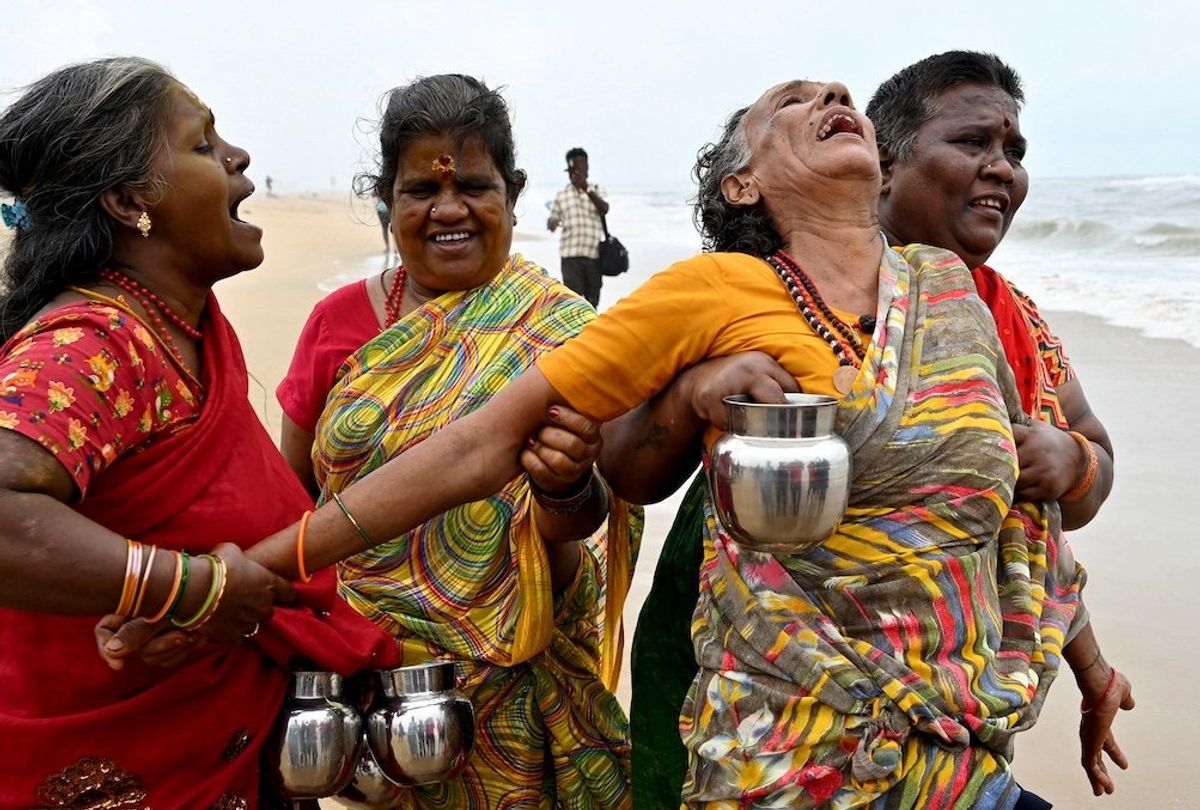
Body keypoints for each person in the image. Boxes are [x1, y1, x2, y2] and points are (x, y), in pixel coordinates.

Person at [238, 77, 1088, 808]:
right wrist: (255, 568)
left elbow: (1017, 522)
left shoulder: (952, 296)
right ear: (745, 185)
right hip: (792, 739)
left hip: (960, 729)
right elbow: (488, 446)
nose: (831, 95)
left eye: (838, 93)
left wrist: (1086, 655)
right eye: (790, 101)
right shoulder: (717, 293)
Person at [621, 51, 1133, 805]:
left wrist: (1073, 460)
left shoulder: (1006, 317)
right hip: (756, 656)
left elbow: (1036, 517)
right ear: (883, 164)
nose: (1001, 169)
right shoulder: (765, 283)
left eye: (1014, 152)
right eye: (972, 144)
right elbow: (629, 466)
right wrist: (696, 393)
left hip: (945, 688)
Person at [0, 57, 398, 808]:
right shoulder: (93, 344)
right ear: (128, 200)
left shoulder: (176, 334)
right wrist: (194, 589)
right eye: (203, 145)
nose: (239, 157)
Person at [275, 74, 643, 808]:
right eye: (420, 191)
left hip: (513, 693)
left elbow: (585, 530)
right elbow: (295, 507)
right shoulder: (336, 325)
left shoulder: (571, 334)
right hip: (370, 700)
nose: (449, 209)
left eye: (474, 185)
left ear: (512, 192)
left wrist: (564, 489)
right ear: (387, 199)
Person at [547, 147, 609, 307]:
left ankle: (589, 331)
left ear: (586, 168)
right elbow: (552, 218)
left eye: (578, 169)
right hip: (570, 256)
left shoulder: (597, 189)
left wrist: (586, 188)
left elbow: (604, 209)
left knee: (592, 302)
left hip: (593, 256)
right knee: (574, 302)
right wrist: (552, 222)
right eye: (571, 170)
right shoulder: (562, 195)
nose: (575, 173)